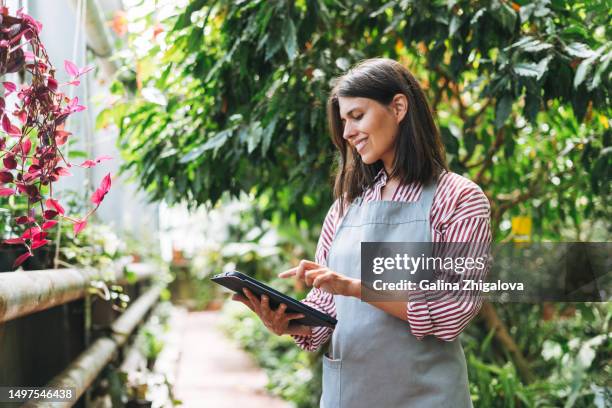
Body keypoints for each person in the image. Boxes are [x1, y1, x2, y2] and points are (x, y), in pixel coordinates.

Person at [232, 58, 491, 407]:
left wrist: (353, 287)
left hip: (426, 397)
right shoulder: (345, 207)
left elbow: (451, 310)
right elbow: (325, 318)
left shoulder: (458, 198)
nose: (348, 132)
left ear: (398, 107)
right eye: (343, 122)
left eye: (357, 116)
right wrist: (288, 322)